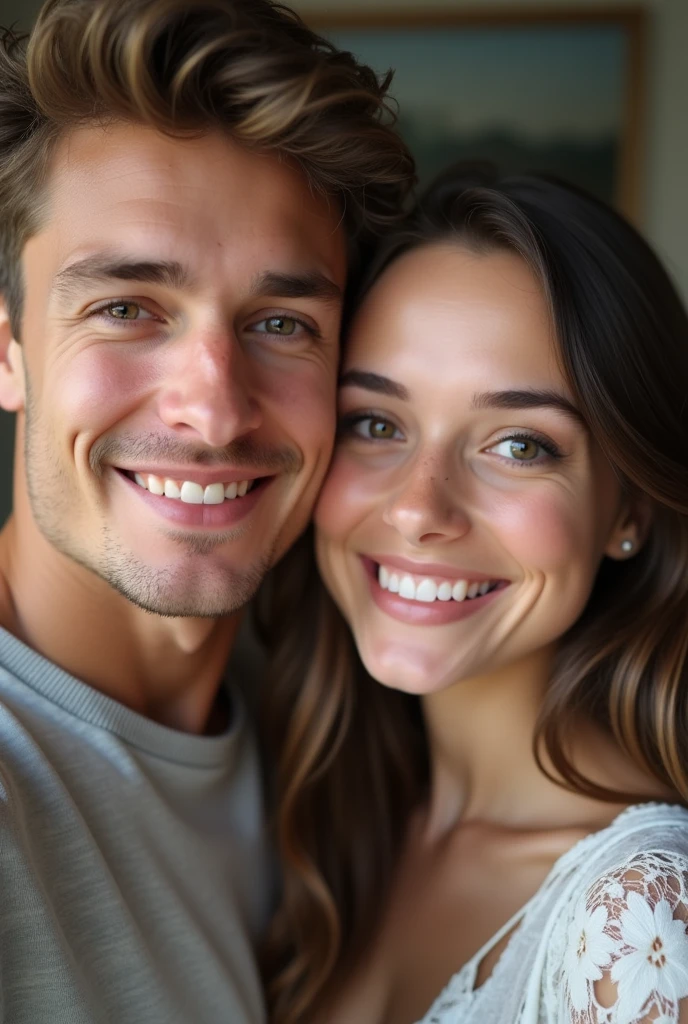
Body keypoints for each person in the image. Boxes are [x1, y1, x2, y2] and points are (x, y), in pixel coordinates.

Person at [0, 0, 413, 1020]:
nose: (216, 409)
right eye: (127, 307)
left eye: (281, 322)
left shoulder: (335, 726)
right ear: (8, 346)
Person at [261, 166, 688, 1024]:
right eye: (376, 424)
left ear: (628, 507)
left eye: (519, 444)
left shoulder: (641, 920)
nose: (420, 509)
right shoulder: (335, 821)